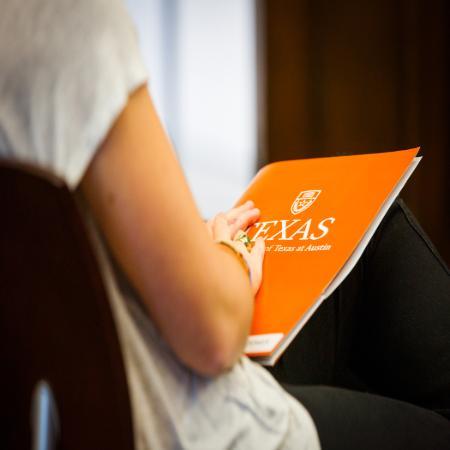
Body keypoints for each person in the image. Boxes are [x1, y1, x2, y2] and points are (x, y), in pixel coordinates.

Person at [0, 1, 448, 449]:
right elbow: (213, 333)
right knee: (377, 236)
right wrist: (229, 256)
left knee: (362, 228)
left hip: (65, 410)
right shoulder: (64, 20)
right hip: (184, 420)